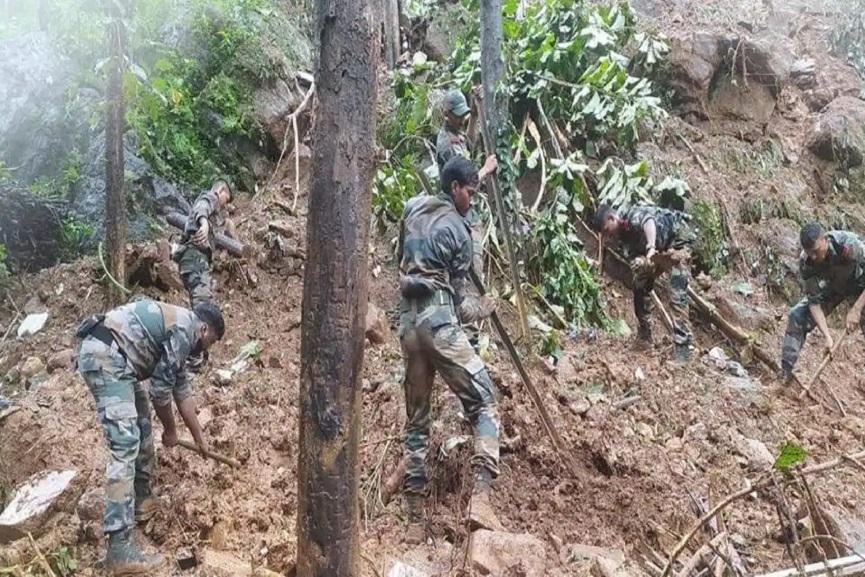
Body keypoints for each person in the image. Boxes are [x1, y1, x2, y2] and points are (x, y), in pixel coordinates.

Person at [75, 299, 225, 574]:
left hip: (118, 360)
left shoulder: (182, 337)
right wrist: (170, 430)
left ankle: (142, 497)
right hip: (106, 355)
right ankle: (119, 547)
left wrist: (200, 439)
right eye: (211, 342)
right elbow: (160, 391)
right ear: (204, 329)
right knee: (125, 442)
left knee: (142, 421)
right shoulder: (184, 330)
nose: (207, 349)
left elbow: (183, 395)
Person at [397, 155, 502, 544]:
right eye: (470, 192)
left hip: (408, 326)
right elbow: (458, 301)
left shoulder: (411, 208)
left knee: (417, 423)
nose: (472, 200)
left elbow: (403, 266)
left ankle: (412, 520)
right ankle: (481, 500)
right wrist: (485, 308)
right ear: (455, 187)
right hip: (439, 324)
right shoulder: (460, 230)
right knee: (485, 403)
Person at [435, 89, 498, 353]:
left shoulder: (456, 135)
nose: (462, 120)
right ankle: (469, 341)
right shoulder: (447, 144)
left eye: (464, 116)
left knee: (474, 272)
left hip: (466, 214)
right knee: (469, 274)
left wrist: (474, 111)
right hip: (460, 216)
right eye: (459, 116)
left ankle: (469, 338)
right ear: (446, 115)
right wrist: (484, 170)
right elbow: (463, 180)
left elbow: (469, 144)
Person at [593, 203, 696, 362]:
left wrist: (651, 247)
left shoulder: (631, 215)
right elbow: (635, 259)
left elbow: (649, 221)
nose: (608, 236)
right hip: (656, 253)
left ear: (612, 218)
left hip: (677, 239)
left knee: (677, 287)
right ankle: (644, 337)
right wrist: (643, 264)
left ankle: (683, 350)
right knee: (639, 285)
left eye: (607, 230)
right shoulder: (620, 239)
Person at [781, 224, 865, 380]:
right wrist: (828, 337)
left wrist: (856, 310)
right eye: (808, 252)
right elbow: (814, 302)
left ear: (825, 239)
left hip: (861, 285)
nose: (813, 257)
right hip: (834, 287)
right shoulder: (806, 262)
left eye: (816, 251)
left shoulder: (848, 245)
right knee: (797, 315)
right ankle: (784, 374)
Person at [171, 179, 234, 370]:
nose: (225, 202)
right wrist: (204, 224)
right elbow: (202, 207)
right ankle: (193, 357)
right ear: (221, 190)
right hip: (195, 257)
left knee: (200, 303)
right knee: (202, 305)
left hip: (193, 259)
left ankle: (194, 354)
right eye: (227, 197)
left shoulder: (215, 209)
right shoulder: (210, 197)